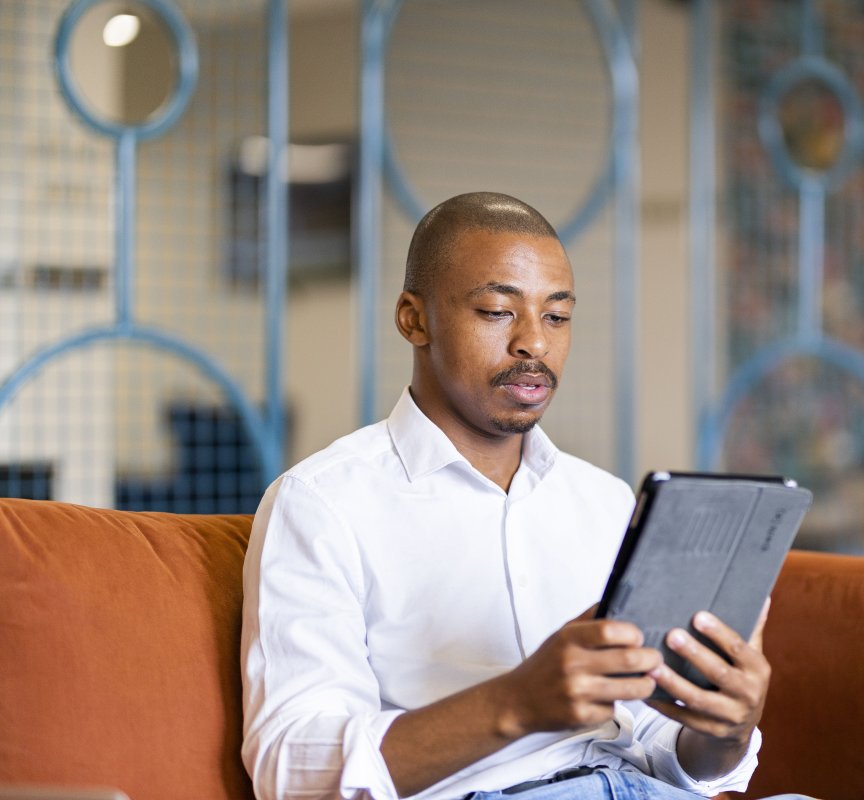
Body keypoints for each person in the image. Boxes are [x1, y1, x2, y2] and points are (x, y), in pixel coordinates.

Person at [241, 192, 779, 800]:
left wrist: (727, 727)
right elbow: (290, 771)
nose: (535, 344)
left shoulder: (604, 502)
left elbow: (660, 746)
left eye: (557, 316)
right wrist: (518, 703)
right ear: (413, 319)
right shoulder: (322, 502)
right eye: (498, 311)